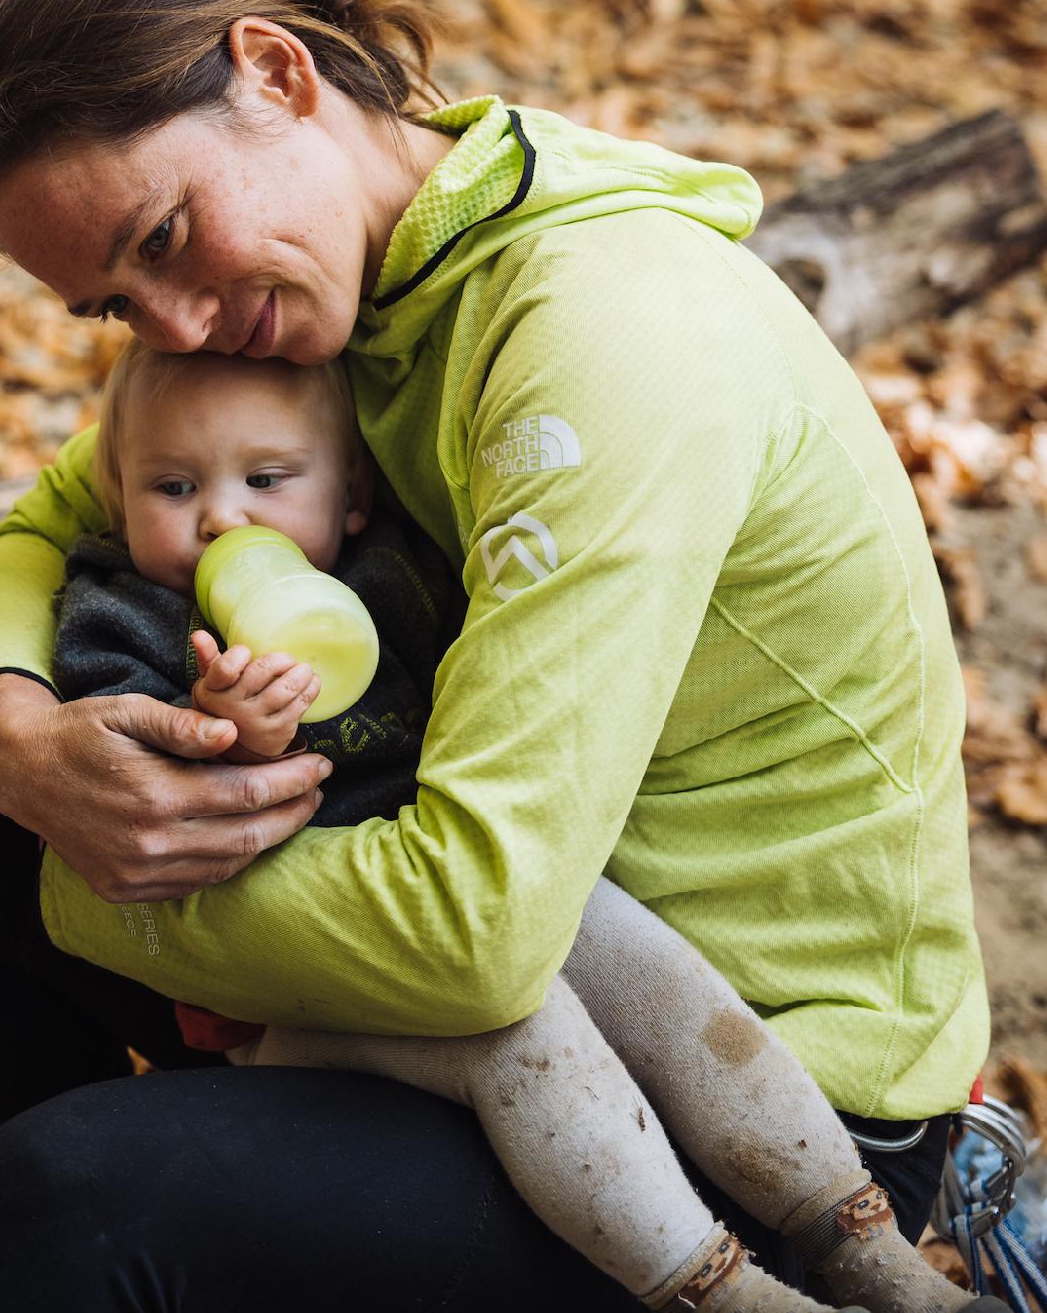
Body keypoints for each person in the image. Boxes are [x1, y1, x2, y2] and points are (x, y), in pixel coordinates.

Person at [0, 0, 991, 1313]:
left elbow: (477, 933)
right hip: (463, 969)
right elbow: (34, 533)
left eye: (168, 240)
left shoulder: (599, 332)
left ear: (276, 71)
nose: (176, 326)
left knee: (80, 1195)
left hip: (743, 1079)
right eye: (117, 303)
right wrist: (14, 742)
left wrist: (93, 876)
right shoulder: (336, 279)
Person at [51, 332, 992, 1313]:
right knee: (515, 1028)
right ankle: (724, 1294)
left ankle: (863, 1241)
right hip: (294, 982)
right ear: (117, 499)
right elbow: (133, 799)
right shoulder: (124, 619)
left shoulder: (398, 573)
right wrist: (229, 733)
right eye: (171, 487)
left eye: (267, 477)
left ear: (350, 494)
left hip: (453, 896)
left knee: (653, 969)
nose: (221, 517)